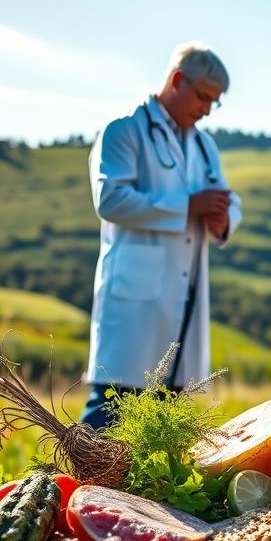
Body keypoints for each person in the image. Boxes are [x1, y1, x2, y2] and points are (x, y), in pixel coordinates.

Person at [81, 43, 242, 428]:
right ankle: (70, 488)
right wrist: (189, 206)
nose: (206, 110)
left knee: (161, 423)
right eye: (203, 97)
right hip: (135, 301)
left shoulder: (204, 147)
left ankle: (132, 493)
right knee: (110, 411)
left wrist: (223, 219)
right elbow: (111, 199)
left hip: (183, 298)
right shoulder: (124, 130)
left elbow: (227, 198)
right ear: (175, 80)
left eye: (214, 102)